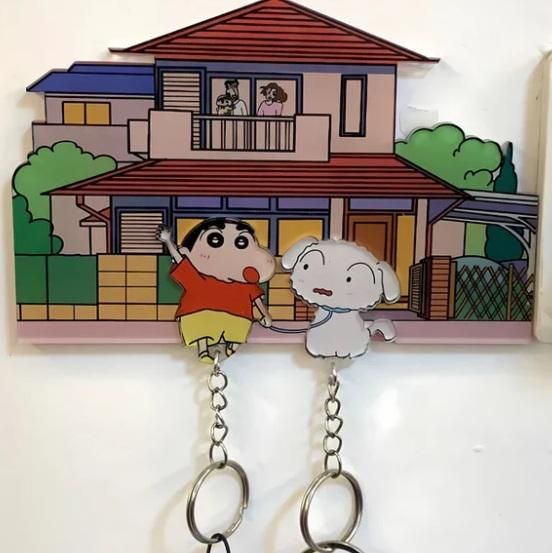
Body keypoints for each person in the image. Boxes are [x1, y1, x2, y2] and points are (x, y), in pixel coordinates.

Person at [157, 218, 275, 363]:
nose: (229, 254)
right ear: (187, 252)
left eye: (241, 242)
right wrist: (168, 242)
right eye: (214, 240)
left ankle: (231, 347)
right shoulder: (198, 280)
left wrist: (265, 315)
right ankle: (203, 350)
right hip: (200, 313)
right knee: (200, 327)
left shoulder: (245, 285)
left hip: (238, 317)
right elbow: (179, 260)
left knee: (238, 330)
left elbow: (256, 299)